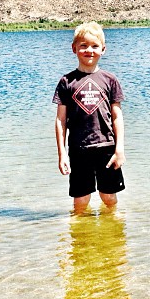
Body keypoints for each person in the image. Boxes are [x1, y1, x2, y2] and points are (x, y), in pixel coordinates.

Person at [53, 21, 126, 212]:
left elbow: (117, 116)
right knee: (80, 202)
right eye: (83, 46)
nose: (89, 50)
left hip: (106, 147)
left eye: (94, 46)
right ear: (74, 48)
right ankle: (81, 240)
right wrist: (62, 154)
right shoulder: (66, 82)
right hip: (78, 150)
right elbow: (61, 120)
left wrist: (119, 150)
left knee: (109, 198)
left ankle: (111, 236)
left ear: (103, 49)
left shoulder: (110, 80)